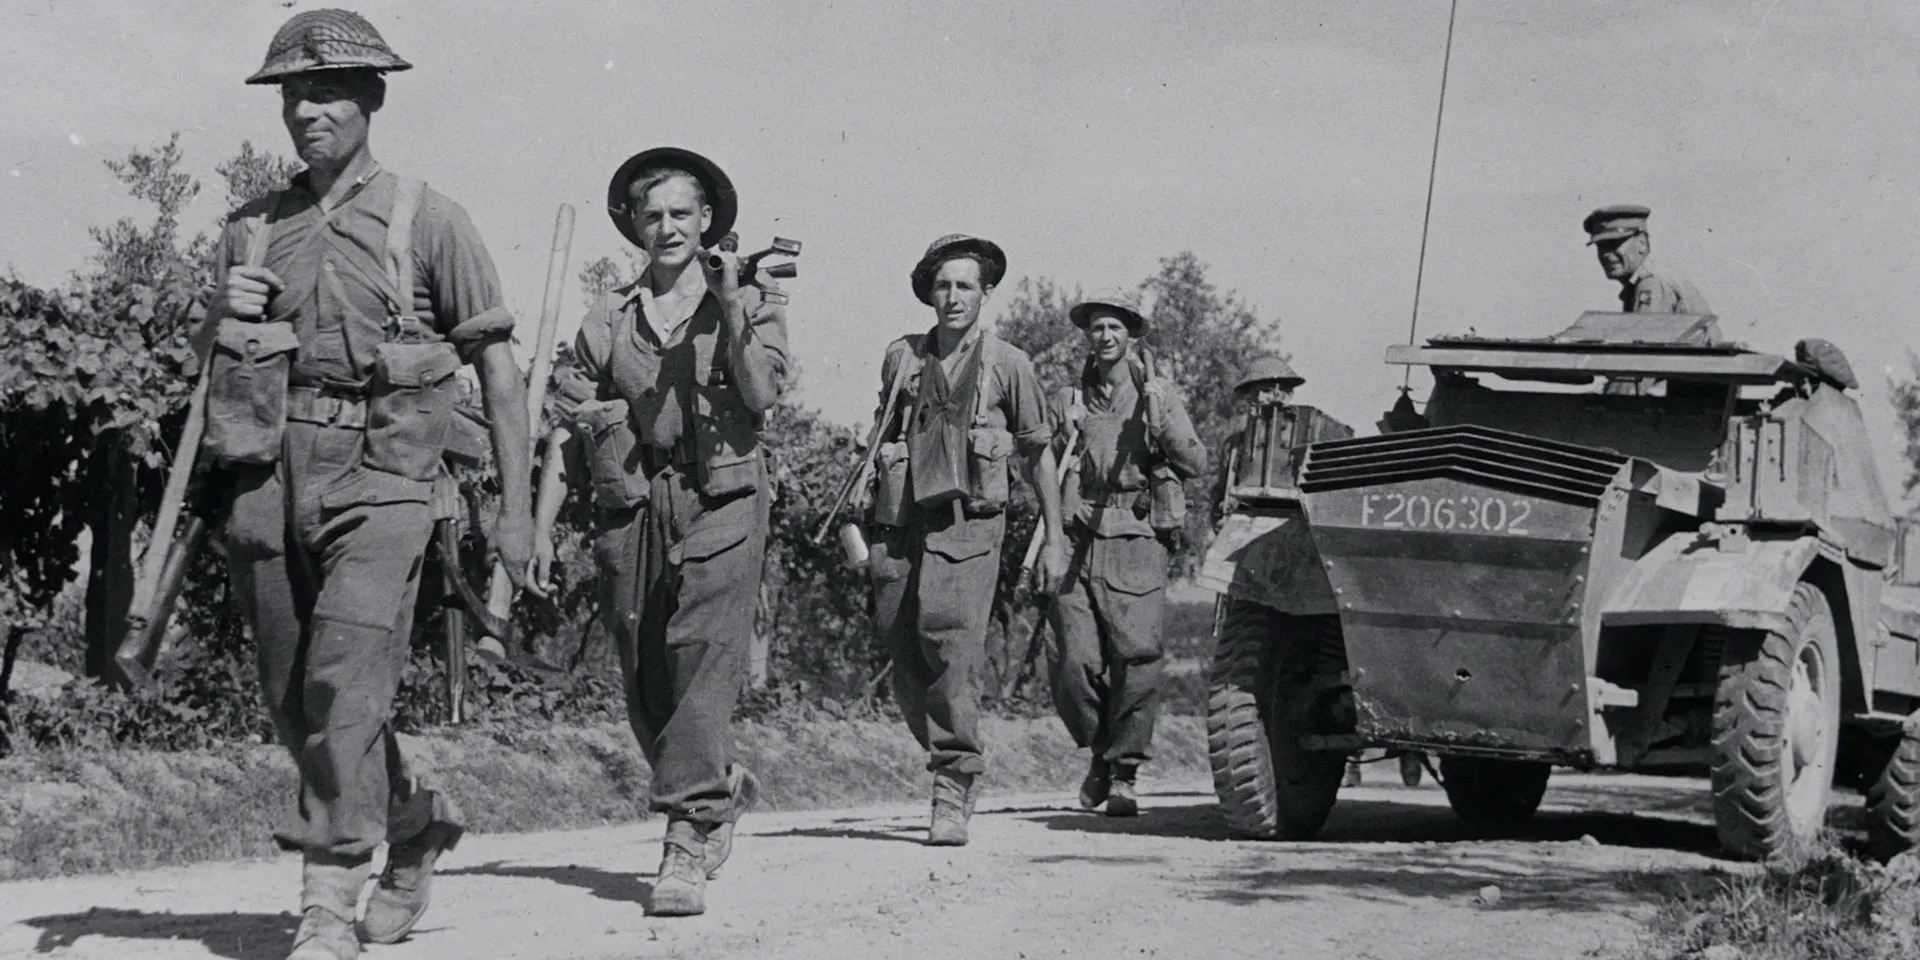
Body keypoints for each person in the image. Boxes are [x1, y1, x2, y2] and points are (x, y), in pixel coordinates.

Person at [206, 10, 532, 958]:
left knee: (342, 683)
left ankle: (327, 900)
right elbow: (208, 368)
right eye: (296, 93)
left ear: (373, 99)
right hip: (269, 473)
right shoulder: (251, 229)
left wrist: (516, 514)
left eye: (332, 91)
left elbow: (498, 372)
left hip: (387, 475)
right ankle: (413, 822)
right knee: (291, 695)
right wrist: (218, 316)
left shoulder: (431, 219)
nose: (310, 109)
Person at [526, 146, 787, 917]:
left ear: (708, 221)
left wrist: (734, 303)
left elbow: (763, 391)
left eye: (682, 213)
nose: (668, 227)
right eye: (654, 215)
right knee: (644, 672)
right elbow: (567, 429)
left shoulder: (753, 298)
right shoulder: (610, 316)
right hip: (636, 503)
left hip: (726, 496)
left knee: (701, 654)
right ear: (634, 228)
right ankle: (719, 788)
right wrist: (540, 532)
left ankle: (682, 837)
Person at [861, 234, 1067, 845]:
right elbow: (881, 434)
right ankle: (957, 752)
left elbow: (1038, 453)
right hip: (900, 523)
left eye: (965, 286)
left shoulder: (1009, 364)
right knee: (901, 651)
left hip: (969, 525)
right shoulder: (902, 356)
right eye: (942, 285)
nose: (952, 297)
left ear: (986, 294)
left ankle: (952, 781)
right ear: (928, 290)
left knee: (950, 646)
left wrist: (1054, 538)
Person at [1042, 289, 1206, 817]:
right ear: (1087, 336)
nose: (1106, 336)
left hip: (1137, 536)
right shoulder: (1071, 395)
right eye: (1097, 328)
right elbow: (1044, 462)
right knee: (1074, 663)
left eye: (1115, 327)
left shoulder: (1158, 392)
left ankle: (1124, 772)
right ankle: (1099, 751)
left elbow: (1196, 462)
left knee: (1135, 659)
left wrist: (1162, 424)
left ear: (1131, 335)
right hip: (1078, 533)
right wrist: (1060, 431)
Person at [1583, 205, 1710, 314]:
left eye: (1614, 244)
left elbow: (1644, 340)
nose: (1606, 254)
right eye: (1602, 247)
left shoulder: (1652, 282)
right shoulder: (1642, 280)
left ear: (1642, 244)